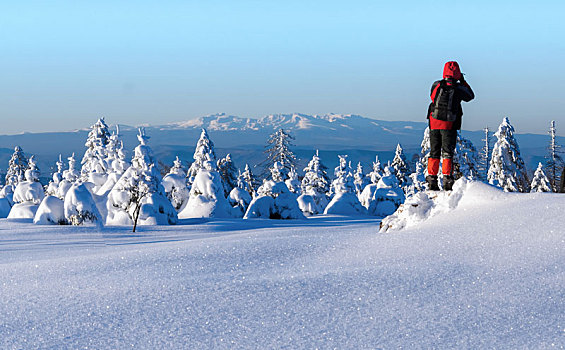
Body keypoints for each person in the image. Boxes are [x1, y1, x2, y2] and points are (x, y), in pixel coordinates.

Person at [426, 61, 474, 191]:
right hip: (449, 125)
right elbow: (471, 95)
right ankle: (447, 181)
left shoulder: (437, 84)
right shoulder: (458, 88)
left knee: (434, 152)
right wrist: (462, 81)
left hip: (434, 123)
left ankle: (432, 180)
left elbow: (432, 97)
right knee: (447, 153)